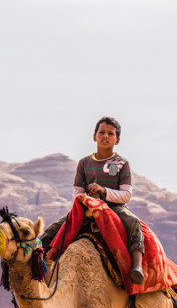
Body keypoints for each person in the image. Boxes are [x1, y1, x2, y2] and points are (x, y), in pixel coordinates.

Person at [41, 116, 146, 284]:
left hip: (114, 208)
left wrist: (103, 191)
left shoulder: (122, 163)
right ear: (94, 136)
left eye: (110, 134)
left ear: (117, 140)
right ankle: (34, 258)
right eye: (102, 132)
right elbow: (77, 191)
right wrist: (86, 200)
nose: (105, 136)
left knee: (133, 222)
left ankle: (137, 267)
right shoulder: (84, 163)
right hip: (87, 207)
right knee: (55, 228)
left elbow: (126, 194)